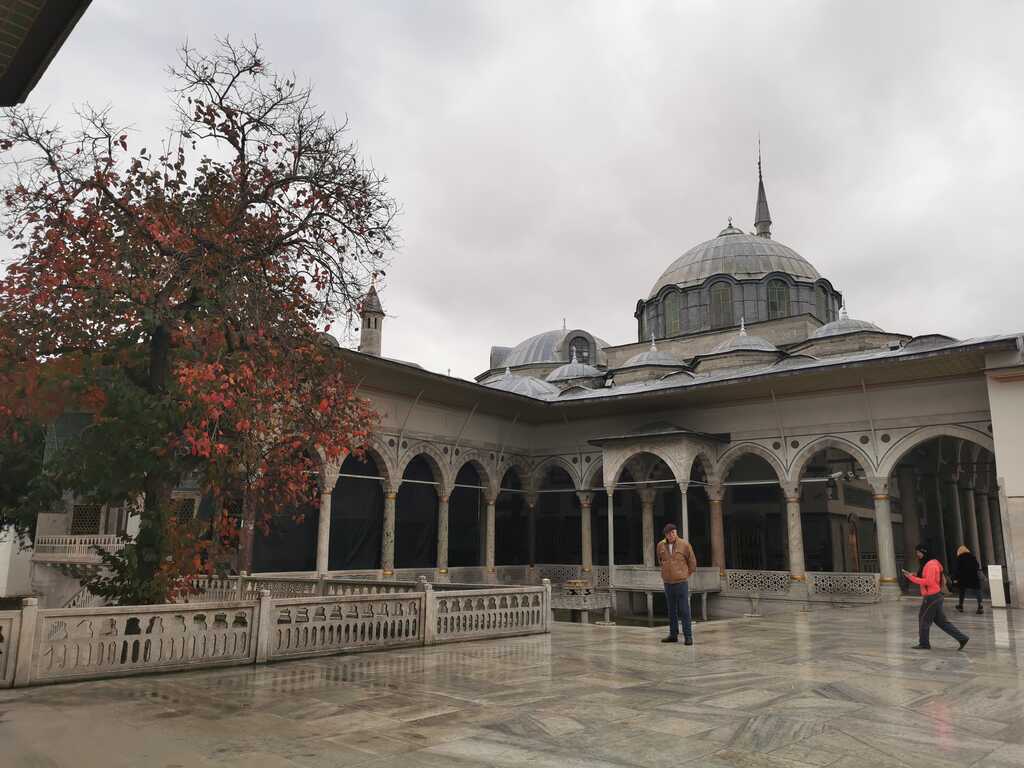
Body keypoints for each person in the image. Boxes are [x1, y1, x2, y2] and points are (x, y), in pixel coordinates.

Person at [902, 544, 968, 651]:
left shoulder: (931, 565)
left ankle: (924, 644)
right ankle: (962, 638)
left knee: (923, 619)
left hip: (931, 597)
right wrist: (912, 575)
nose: (917, 554)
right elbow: (925, 577)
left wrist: (911, 578)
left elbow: (929, 581)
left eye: (918, 552)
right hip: (934, 596)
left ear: (924, 552)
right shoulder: (929, 563)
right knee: (942, 622)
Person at [656, 523, 697, 645]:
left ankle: (688, 636)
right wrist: (665, 573)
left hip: (681, 582)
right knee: (671, 610)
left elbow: (692, 562)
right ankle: (673, 635)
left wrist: (685, 574)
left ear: (676, 532)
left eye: (673, 532)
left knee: (684, 610)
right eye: (669, 533)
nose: (671, 535)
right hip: (668, 583)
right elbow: (660, 560)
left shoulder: (684, 544)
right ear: (665, 535)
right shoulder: (660, 545)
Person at [954, 545, 984, 614]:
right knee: (977, 591)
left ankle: (960, 606)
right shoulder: (972, 557)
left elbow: (957, 569)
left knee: (962, 591)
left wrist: (955, 578)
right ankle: (980, 606)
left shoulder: (959, 558)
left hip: (963, 577)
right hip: (973, 576)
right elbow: (977, 566)